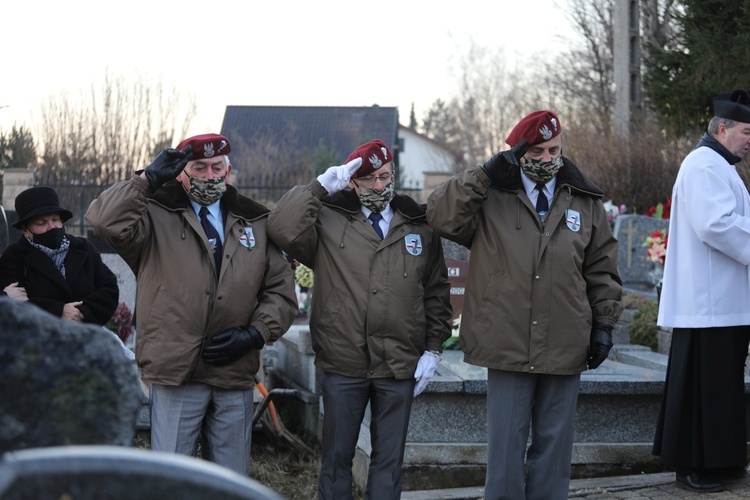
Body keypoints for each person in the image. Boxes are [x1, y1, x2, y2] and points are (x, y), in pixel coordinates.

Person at [427, 110, 624, 500]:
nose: (548, 159)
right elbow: (439, 215)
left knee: (554, 449)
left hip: (566, 337)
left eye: (554, 150)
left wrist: (604, 323)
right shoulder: (490, 195)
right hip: (507, 340)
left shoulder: (583, 200)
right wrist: (484, 173)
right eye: (537, 152)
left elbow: (601, 268)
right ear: (518, 153)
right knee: (505, 449)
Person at [85, 133, 298, 476]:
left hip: (234, 369)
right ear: (181, 172)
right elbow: (102, 220)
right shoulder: (154, 213)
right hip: (175, 371)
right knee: (171, 480)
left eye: (218, 167)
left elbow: (280, 289)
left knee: (229, 480)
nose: (211, 176)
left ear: (228, 172)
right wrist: (146, 180)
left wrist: (256, 333)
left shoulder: (254, 220)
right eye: (199, 167)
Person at [268, 139, 452, 499]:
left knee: (389, 461)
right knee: (337, 459)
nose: (381, 186)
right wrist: (319, 187)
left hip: (398, 361)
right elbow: (280, 228)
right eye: (370, 179)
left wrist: (433, 349)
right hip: (344, 360)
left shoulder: (417, 224)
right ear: (352, 182)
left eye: (386, 176)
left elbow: (436, 290)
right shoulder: (328, 218)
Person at [653, 89, 750, 493]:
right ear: (723, 128)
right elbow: (716, 225)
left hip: (724, 301)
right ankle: (694, 466)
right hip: (708, 303)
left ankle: (721, 461)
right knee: (704, 388)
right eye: (747, 131)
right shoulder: (704, 165)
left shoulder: (718, 164)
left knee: (722, 386)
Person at [0, 186, 118, 326]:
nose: (52, 227)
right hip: (38, 344)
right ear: (26, 230)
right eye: (41, 223)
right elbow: (15, 306)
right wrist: (58, 311)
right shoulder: (15, 257)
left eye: (55, 219)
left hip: (85, 339)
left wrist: (80, 313)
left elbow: (109, 290)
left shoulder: (83, 249)